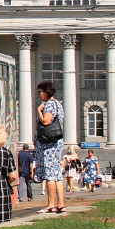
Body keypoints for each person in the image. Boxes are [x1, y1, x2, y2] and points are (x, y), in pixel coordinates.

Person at [34, 80, 66, 214]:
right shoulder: (58, 104)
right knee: (57, 175)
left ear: (46, 92)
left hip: (49, 145)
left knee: (50, 174)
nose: (39, 94)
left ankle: (51, 205)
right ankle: (61, 204)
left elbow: (46, 121)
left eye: (40, 92)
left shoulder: (50, 105)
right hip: (55, 143)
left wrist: (39, 111)